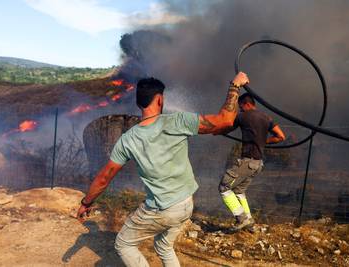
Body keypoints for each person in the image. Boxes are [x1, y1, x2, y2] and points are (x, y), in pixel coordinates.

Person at [76, 72, 249, 267]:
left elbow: (104, 178)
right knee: (164, 246)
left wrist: (86, 202)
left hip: (162, 208)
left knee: (123, 244)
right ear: (159, 99)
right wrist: (235, 86)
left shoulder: (128, 139)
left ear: (139, 103)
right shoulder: (177, 121)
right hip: (186, 204)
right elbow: (224, 120)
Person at [218, 93, 286, 231]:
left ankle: (241, 218)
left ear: (246, 104)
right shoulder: (267, 118)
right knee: (239, 190)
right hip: (258, 164)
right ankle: (249, 221)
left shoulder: (243, 116)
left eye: (241, 106)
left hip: (248, 162)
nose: (240, 109)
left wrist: (217, 130)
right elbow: (281, 136)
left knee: (224, 187)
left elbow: (228, 126)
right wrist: (264, 141)